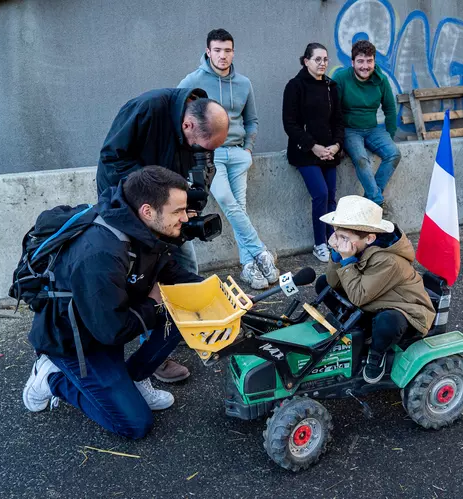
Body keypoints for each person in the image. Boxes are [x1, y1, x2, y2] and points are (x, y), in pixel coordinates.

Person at [23, 167, 203, 439]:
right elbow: (111, 331)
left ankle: (134, 377)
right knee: (134, 425)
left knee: (189, 306)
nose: (185, 218)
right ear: (147, 211)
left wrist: (216, 293)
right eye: (178, 211)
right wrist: (155, 304)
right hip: (76, 341)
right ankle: (51, 377)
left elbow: (168, 271)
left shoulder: (144, 228)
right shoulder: (101, 253)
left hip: (106, 316)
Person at [96, 90, 228, 383]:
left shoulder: (202, 123)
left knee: (185, 269)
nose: (202, 150)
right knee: (147, 282)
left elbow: (202, 170)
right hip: (132, 211)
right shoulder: (147, 110)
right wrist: (158, 195)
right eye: (199, 145)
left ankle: (181, 327)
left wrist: (192, 205)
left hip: (168, 211)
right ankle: (154, 358)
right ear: (188, 126)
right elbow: (111, 161)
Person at [178, 28, 279, 289]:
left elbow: (252, 119)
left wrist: (248, 147)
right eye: (218, 50)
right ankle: (260, 252)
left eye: (228, 50)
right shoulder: (192, 81)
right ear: (208, 51)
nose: (223, 56)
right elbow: (178, 115)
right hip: (209, 156)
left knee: (239, 207)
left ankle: (248, 266)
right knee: (226, 201)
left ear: (233, 52)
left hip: (237, 154)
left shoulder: (244, 83)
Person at [319, 195, 435, 383]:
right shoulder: (357, 247)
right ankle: (359, 328)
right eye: (336, 235)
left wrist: (347, 260)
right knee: (323, 284)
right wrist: (336, 255)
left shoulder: (388, 261)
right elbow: (334, 283)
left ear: (371, 238)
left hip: (403, 309)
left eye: (344, 238)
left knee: (387, 321)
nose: (339, 242)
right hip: (372, 300)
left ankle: (377, 354)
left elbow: (358, 296)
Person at [282, 43, 344, 263]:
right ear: (306, 61)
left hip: (329, 152)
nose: (322, 63)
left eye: (325, 59)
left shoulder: (331, 86)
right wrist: (313, 147)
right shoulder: (295, 86)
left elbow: (338, 121)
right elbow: (290, 124)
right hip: (305, 153)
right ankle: (319, 244)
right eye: (317, 59)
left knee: (331, 198)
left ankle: (332, 239)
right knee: (320, 194)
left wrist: (336, 146)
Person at [333, 40, 400, 208]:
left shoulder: (381, 80)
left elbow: (390, 109)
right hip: (349, 130)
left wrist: (389, 136)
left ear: (374, 61)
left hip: (372, 129)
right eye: (360, 61)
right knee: (362, 159)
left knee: (394, 153)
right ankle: (377, 202)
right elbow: (332, 111)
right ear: (352, 62)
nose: (365, 66)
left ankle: (370, 198)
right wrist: (337, 140)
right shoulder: (341, 78)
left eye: (369, 61)